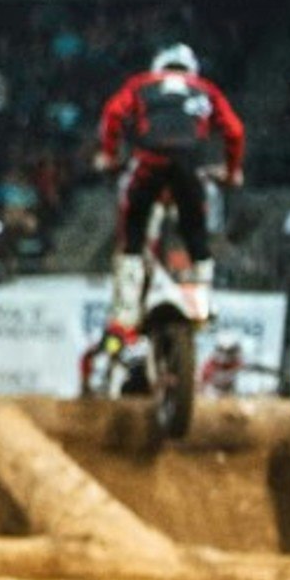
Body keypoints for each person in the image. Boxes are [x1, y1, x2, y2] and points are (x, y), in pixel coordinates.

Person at [94, 43, 246, 352]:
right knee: (196, 233)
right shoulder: (206, 89)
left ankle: (126, 314)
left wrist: (109, 155)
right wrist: (231, 171)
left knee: (131, 231)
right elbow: (235, 131)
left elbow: (112, 114)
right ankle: (203, 298)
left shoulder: (141, 84)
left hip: (148, 163)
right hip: (189, 165)